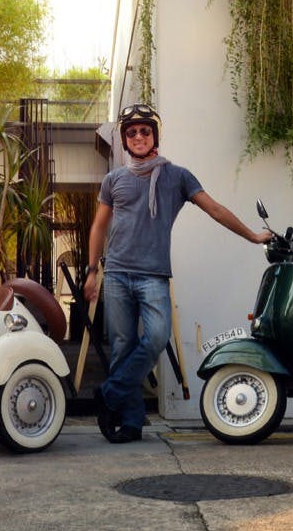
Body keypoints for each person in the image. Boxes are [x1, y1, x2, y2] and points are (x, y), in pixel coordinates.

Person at [83, 103, 272, 443]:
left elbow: (214, 209)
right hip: (117, 274)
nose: (138, 136)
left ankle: (109, 394)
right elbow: (99, 226)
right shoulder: (114, 179)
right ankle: (130, 423)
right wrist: (91, 270)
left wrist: (254, 236)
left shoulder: (177, 176)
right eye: (131, 132)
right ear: (125, 140)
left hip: (153, 275)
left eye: (145, 131)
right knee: (123, 346)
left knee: (156, 338)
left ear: (154, 136)